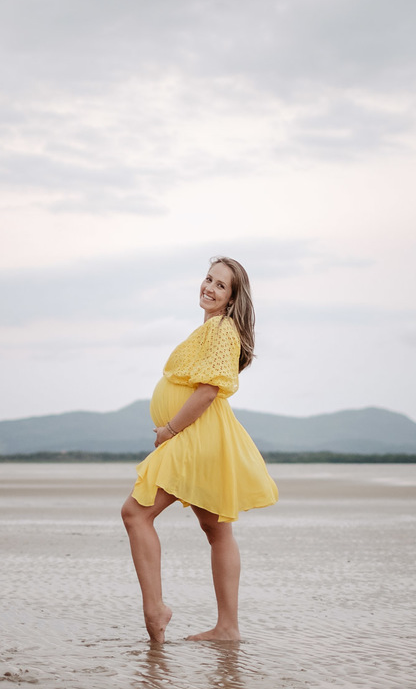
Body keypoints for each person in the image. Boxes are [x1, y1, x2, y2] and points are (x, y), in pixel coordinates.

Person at [120, 256, 279, 643]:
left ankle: (155, 610)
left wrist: (169, 430)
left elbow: (207, 391)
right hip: (203, 435)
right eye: (208, 278)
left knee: (135, 514)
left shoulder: (222, 329)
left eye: (220, 285)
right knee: (216, 530)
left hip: (195, 436)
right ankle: (227, 628)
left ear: (231, 298)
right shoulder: (210, 329)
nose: (209, 287)